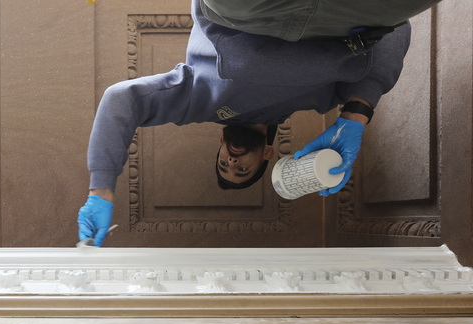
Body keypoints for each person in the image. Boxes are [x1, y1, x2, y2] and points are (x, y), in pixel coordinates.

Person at [77, 0, 435, 247]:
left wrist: (101, 189)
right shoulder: (323, 99)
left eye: (224, 164)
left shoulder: (199, 103)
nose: (232, 162)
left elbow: (120, 100)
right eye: (242, 170)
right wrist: (355, 117)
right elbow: (396, 32)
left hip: (251, 13)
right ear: (267, 154)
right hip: (339, 17)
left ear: (220, 141)